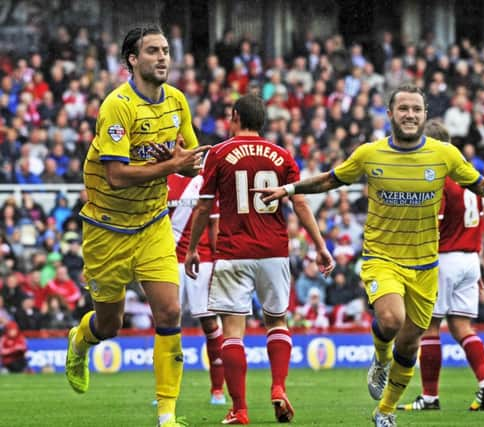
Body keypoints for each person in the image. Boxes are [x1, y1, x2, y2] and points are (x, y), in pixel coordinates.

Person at [254, 83, 484, 427]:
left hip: (426, 265)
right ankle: (380, 358)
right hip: (382, 258)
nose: (410, 114)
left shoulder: (444, 155)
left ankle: (385, 411)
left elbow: (483, 186)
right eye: (403, 109)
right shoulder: (370, 153)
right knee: (393, 320)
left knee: (411, 345)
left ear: (425, 115)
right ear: (390, 115)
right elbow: (330, 180)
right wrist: (289, 189)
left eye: (416, 109)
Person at [65, 25, 207, 427]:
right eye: (152, 51)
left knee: (169, 311)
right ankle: (80, 340)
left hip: (151, 223)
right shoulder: (117, 106)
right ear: (132, 59)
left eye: (165, 50)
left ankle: (167, 416)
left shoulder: (177, 101)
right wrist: (170, 165)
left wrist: (185, 160)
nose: (163, 58)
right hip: (107, 228)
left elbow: (189, 157)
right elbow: (116, 176)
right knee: (110, 325)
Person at [184, 94, 334, 425]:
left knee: (233, 332)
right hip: (274, 252)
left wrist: (194, 248)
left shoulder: (219, 153)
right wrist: (321, 246)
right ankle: (278, 388)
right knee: (276, 322)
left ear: (235, 116)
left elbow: (205, 206)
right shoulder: (281, 156)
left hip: (234, 253)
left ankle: (239, 410)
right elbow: (302, 204)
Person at [398, 120, 484, 413]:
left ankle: (429, 398)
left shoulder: (440, 176)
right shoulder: (470, 176)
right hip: (470, 259)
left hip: (444, 258)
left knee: (429, 328)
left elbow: (432, 224)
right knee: (461, 326)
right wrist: (476, 266)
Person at [167, 171, 226, 405]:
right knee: (167, 326)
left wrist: (219, 259)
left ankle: (217, 390)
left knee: (210, 323)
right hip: (168, 261)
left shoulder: (205, 180)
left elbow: (214, 225)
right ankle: (166, 392)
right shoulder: (163, 177)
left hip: (202, 262)